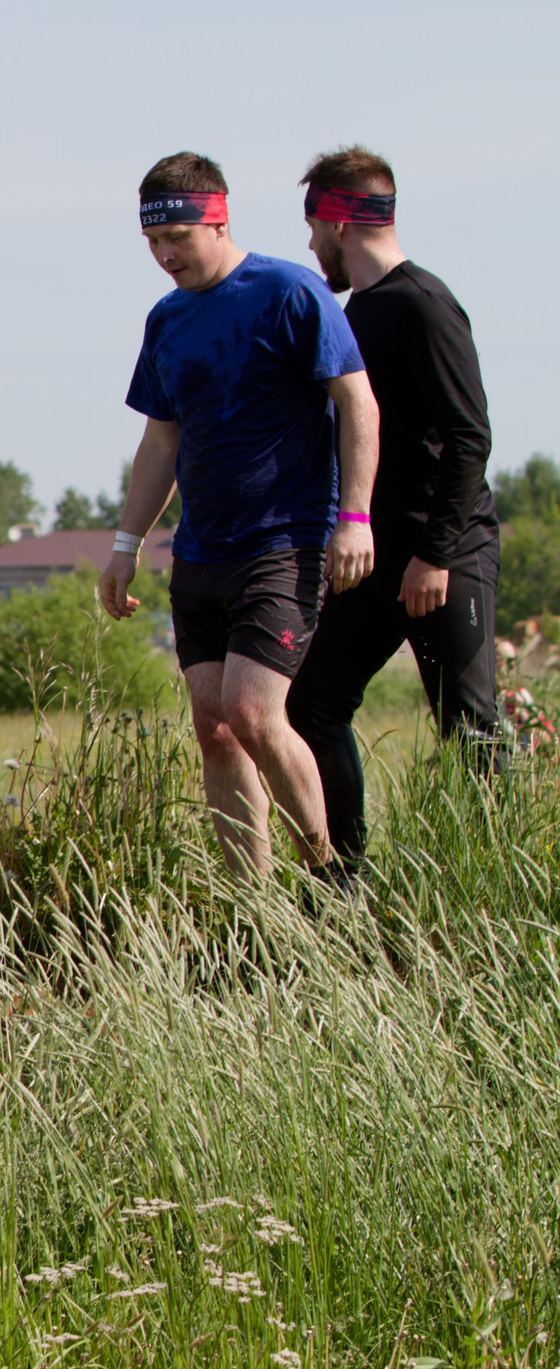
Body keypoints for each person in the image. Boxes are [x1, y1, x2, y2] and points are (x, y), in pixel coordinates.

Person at [99, 153, 375, 881]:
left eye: (178, 239)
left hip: (282, 543)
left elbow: (358, 402)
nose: (164, 256)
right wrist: (127, 544)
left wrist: (356, 516)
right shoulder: (167, 320)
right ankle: (252, 908)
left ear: (217, 218)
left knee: (253, 714)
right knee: (214, 728)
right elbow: (162, 438)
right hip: (201, 551)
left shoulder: (291, 292)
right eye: (153, 244)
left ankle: (328, 881)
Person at [285, 146, 506, 870]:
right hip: (374, 560)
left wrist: (436, 554)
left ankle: (494, 888)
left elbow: (471, 435)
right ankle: (344, 878)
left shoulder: (422, 303)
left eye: (315, 223)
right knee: (312, 702)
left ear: (343, 220)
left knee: (470, 730)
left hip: (443, 558)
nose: (312, 241)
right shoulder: (356, 315)